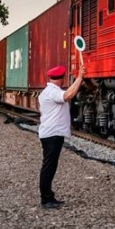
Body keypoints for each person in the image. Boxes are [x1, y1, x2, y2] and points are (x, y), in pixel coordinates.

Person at [37, 61, 86, 208]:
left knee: (50, 166)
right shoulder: (53, 92)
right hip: (52, 135)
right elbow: (68, 95)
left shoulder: (47, 92)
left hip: (51, 134)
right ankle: (46, 199)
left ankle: (49, 196)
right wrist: (80, 77)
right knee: (48, 167)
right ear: (61, 78)